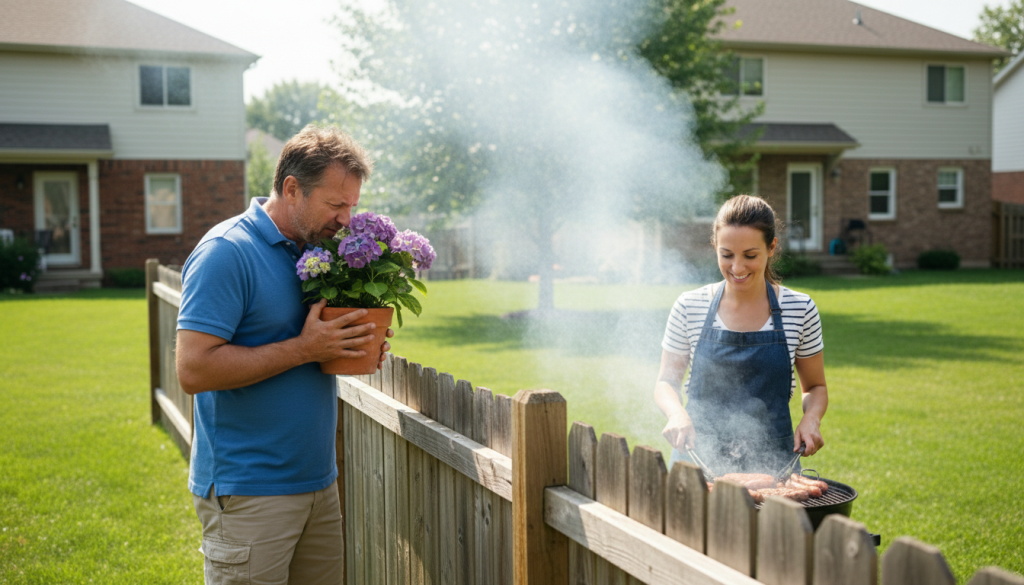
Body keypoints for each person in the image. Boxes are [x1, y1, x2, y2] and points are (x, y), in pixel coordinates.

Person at [175, 124, 391, 584]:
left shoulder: (318, 255)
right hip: (250, 493)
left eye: (352, 206)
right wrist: (304, 349)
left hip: (318, 484)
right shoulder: (226, 253)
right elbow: (193, 369)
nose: (346, 220)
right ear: (292, 189)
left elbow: (313, 347)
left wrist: (353, 344)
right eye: (335, 205)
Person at [655, 195, 827, 476]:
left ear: (771, 247)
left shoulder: (800, 308)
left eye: (750, 255)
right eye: (727, 255)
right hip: (697, 458)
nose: (737, 268)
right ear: (715, 246)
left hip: (773, 465)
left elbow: (815, 386)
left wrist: (812, 419)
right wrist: (676, 414)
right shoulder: (689, 306)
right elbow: (666, 382)